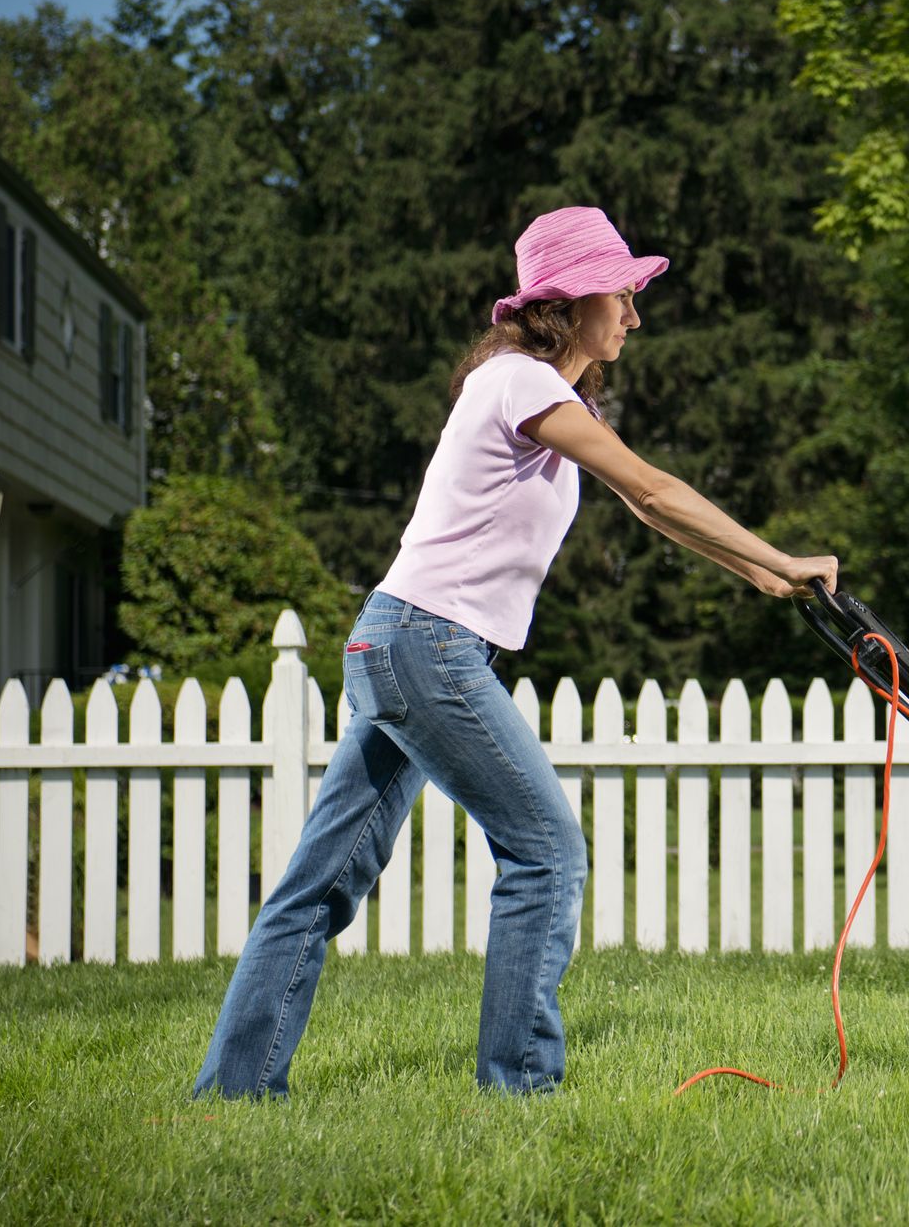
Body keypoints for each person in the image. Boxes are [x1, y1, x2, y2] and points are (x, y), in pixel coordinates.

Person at [192, 206, 837, 1097]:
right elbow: (649, 484)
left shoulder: (532, 392)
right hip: (427, 646)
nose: (635, 317)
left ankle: (230, 1093)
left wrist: (761, 575)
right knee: (546, 853)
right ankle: (521, 1090)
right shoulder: (517, 382)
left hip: (397, 640)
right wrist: (780, 555)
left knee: (322, 882)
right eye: (621, 295)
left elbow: (646, 509)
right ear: (568, 302)